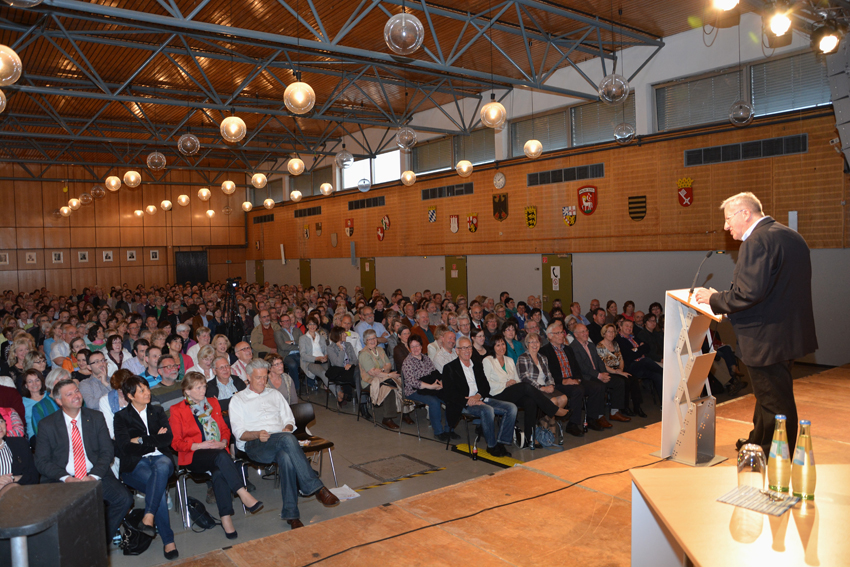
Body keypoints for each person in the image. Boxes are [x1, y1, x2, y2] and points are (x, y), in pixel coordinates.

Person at [695, 192, 817, 455]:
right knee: (767, 395)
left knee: (775, 402)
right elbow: (774, 289)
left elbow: (749, 293)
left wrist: (714, 298)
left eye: (728, 219)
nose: (726, 227)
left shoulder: (756, 241)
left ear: (745, 214)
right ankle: (757, 440)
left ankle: (775, 454)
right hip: (786, 333)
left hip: (765, 338)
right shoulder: (792, 237)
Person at [229, 359, 339, 530]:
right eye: (258, 378)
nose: (262, 381)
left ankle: (291, 515)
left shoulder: (274, 394)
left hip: (281, 440)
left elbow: (289, 419)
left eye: (265, 377)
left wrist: (287, 428)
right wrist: (257, 434)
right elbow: (239, 433)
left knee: (287, 458)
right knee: (288, 440)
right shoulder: (238, 400)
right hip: (256, 444)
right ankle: (316, 487)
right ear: (248, 377)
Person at [34, 378, 133, 545]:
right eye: (69, 394)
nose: (76, 396)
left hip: (94, 474)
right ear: (59, 401)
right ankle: (72, 545)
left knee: (124, 499)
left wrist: (94, 475)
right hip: (62, 479)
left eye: (77, 391)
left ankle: (98, 542)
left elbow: (107, 451)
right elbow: (41, 461)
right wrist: (66, 478)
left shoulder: (95, 417)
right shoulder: (47, 425)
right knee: (62, 510)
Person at [168, 371, 263, 539]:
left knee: (220, 470)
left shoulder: (213, 403)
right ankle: (243, 493)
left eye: (204, 386)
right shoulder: (177, 410)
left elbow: (225, 430)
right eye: (198, 387)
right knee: (220, 457)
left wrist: (224, 442)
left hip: (218, 452)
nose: (203, 390)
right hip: (194, 456)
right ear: (187, 391)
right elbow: (175, 443)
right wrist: (199, 445)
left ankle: (226, 518)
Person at [113, 375, 178, 560]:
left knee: (163, 464)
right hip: (135, 464)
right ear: (130, 396)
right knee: (155, 487)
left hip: (160, 460)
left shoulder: (157, 411)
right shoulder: (121, 417)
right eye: (141, 390)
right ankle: (168, 541)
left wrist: (140, 439)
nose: (147, 392)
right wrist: (152, 440)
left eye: (147, 388)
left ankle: (149, 516)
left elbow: (167, 439)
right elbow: (124, 446)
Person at [484, 334, 567, 448]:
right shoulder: (488, 360)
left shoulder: (509, 360)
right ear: (493, 347)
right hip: (497, 393)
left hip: (511, 391)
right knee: (525, 386)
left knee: (530, 401)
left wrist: (514, 383)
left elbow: (518, 379)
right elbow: (486, 383)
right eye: (498, 345)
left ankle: (530, 438)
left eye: (503, 344)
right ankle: (553, 409)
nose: (501, 347)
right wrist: (505, 383)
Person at [440, 337, 517, 458]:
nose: (467, 350)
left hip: (480, 398)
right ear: (457, 350)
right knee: (487, 410)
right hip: (463, 403)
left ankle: (501, 443)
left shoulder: (476, 365)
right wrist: (470, 400)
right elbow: (449, 394)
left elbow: (485, 386)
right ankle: (491, 446)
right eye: (463, 348)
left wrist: (477, 396)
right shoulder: (450, 368)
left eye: (469, 347)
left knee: (511, 408)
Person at [570, 324, 628, 429]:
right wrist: (599, 375)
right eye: (582, 332)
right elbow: (582, 367)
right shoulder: (573, 347)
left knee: (619, 381)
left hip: (598, 373)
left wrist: (603, 372)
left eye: (586, 331)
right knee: (600, 386)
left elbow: (599, 361)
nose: (585, 333)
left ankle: (614, 412)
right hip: (586, 377)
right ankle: (599, 416)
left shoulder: (591, 345)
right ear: (575, 334)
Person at [401, 335, 451, 441]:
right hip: (414, 390)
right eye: (412, 346)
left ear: (421, 346)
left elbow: (435, 372)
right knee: (434, 402)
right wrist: (432, 387)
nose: (415, 349)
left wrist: (441, 383)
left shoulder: (426, 358)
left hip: (430, 386)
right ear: (409, 348)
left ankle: (449, 429)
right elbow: (412, 382)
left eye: (417, 346)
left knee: (449, 397)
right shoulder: (407, 362)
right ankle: (438, 431)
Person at [598, 324, 645, 418]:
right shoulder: (600, 346)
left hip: (618, 369)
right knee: (625, 381)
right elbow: (603, 365)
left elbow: (621, 359)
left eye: (613, 331)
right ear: (604, 333)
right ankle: (624, 407)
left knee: (633, 378)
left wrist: (621, 369)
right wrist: (617, 372)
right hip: (608, 371)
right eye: (609, 331)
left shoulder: (615, 344)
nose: (611, 334)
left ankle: (637, 406)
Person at [358, 329, 402, 430]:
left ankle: (406, 413)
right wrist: (388, 374)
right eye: (369, 339)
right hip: (369, 382)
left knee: (400, 383)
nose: (373, 340)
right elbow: (372, 372)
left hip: (383, 377)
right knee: (388, 389)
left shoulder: (381, 350)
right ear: (365, 341)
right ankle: (387, 419)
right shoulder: (364, 354)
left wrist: (382, 370)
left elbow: (389, 365)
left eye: (374, 338)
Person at [0, 413, 38, 496]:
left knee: (13, 488)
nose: (0, 427)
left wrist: (12, 479)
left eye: (1, 422)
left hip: (18, 493)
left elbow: (33, 476)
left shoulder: (19, 444)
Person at [206, 355, 246, 423]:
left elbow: (246, 399)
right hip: (223, 421)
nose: (225, 369)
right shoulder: (209, 386)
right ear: (214, 371)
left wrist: (222, 403)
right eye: (221, 367)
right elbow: (214, 407)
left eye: (227, 366)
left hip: (243, 417)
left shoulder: (237, 380)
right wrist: (236, 399)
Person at [326, 327, 357, 406]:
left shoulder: (348, 344)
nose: (345, 335)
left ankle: (348, 394)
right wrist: (341, 350)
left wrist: (350, 364)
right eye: (343, 333)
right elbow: (338, 364)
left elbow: (355, 359)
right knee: (354, 374)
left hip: (350, 368)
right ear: (337, 335)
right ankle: (351, 394)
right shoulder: (330, 348)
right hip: (339, 370)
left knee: (356, 370)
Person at [273, 313, 302, 390]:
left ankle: (310, 383)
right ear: (280, 323)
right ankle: (295, 388)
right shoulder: (278, 332)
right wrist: (297, 346)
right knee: (293, 365)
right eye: (284, 321)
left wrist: (292, 342)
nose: (287, 322)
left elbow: (303, 342)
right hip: (286, 355)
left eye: (288, 320)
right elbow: (282, 346)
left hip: (299, 353)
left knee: (307, 361)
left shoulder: (297, 330)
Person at [20, 368, 45, 440]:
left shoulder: (50, 396)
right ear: (25, 385)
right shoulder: (22, 402)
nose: (34, 384)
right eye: (30, 381)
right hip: (35, 434)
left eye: (37, 380)